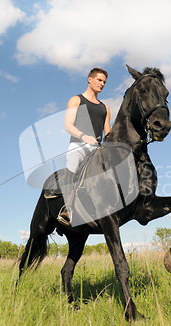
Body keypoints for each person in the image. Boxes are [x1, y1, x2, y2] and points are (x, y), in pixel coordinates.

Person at [48, 68, 111, 225]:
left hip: (97, 148)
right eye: (99, 80)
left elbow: (107, 132)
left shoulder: (105, 108)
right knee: (73, 159)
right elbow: (68, 126)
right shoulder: (76, 100)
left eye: (104, 82)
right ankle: (67, 209)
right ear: (90, 79)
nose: (102, 84)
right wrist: (84, 137)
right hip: (79, 145)